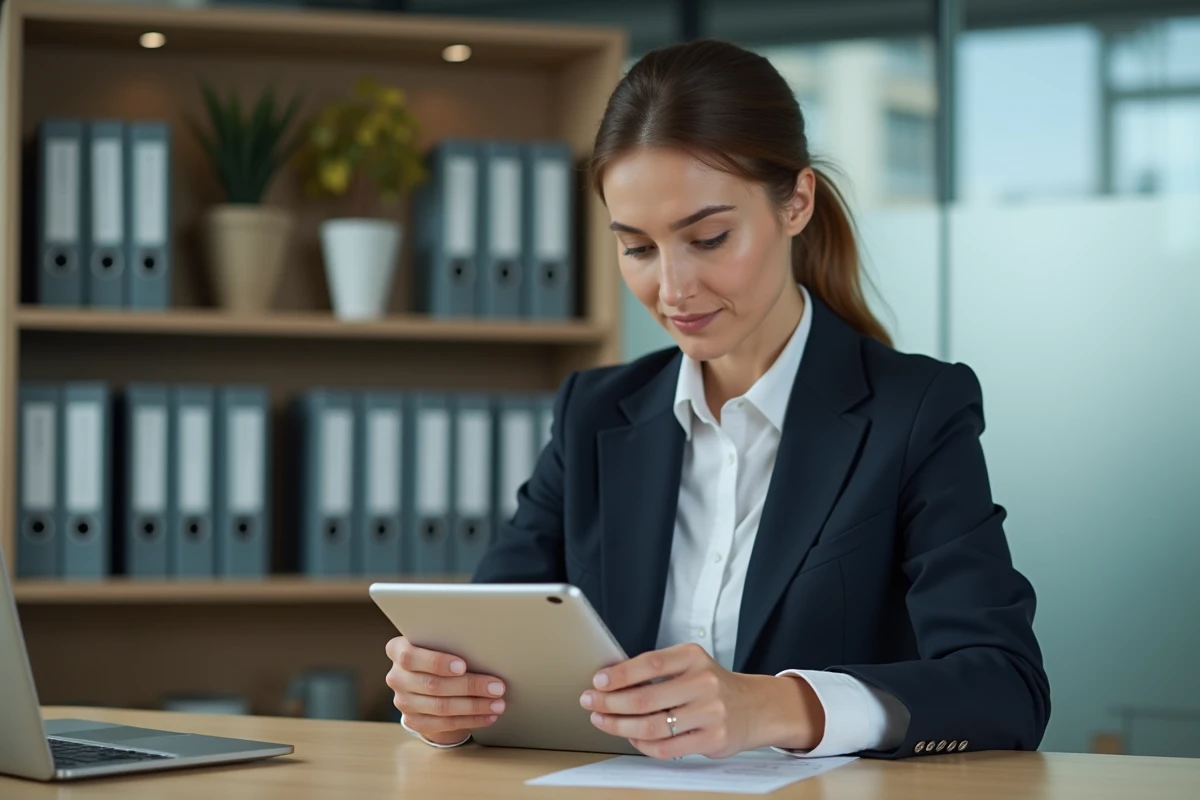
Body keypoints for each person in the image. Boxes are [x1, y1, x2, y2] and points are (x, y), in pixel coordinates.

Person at [385, 38, 1049, 761]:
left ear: (796, 202)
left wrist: (776, 705)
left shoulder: (915, 411)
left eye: (708, 237)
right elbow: (495, 644)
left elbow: (1005, 686)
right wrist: (444, 701)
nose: (672, 290)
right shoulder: (595, 412)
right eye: (637, 248)